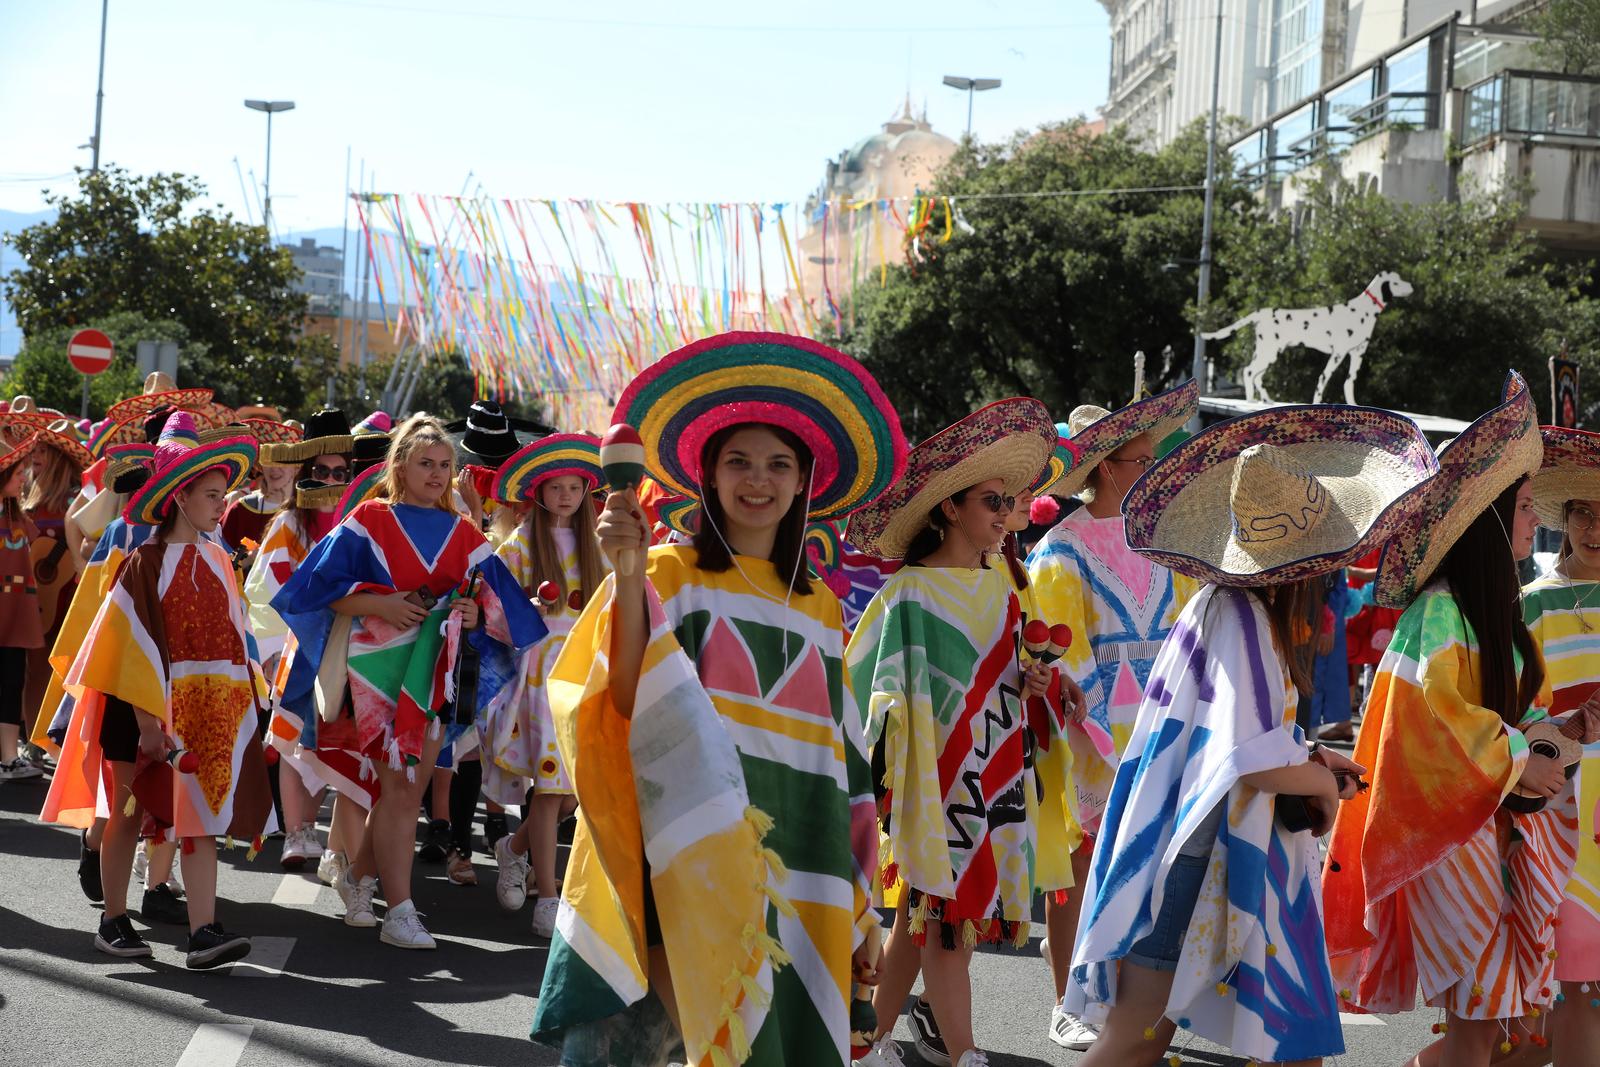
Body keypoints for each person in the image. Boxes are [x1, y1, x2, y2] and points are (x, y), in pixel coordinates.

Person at [532, 332, 901, 1067]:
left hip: (800, 863)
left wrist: (864, 904)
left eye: (777, 464)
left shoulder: (822, 609)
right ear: (708, 474)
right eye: (738, 460)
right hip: (681, 852)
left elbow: (844, 766)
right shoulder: (670, 573)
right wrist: (629, 574)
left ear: (804, 483)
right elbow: (627, 697)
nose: (757, 479)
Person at [1066, 403, 1436, 1067]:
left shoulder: (1223, 603)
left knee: (1161, 1038)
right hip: (1196, 855)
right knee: (1142, 1039)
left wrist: (1312, 757)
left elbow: (1241, 741)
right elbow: (1249, 757)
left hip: (1196, 848)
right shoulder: (1244, 616)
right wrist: (1321, 780)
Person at [1324, 374, 1598, 1067]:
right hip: (1452, 843)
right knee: (1479, 1030)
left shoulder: (1485, 615)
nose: (1540, 523)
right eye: (1529, 508)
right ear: (1495, 521)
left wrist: (1568, 731)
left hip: (1488, 832)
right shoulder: (1438, 613)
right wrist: (1522, 754)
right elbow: (1432, 728)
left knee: (1492, 1031)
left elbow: (1515, 720)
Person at [273, 412, 544, 950]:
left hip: (437, 672)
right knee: (399, 788)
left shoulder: (466, 531)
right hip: (375, 669)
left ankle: (360, 879)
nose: (438, 473)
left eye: (446, 464)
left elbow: (502, 609)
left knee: (406, 793)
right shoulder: (370, 518)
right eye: (426, 463)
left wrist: (470, 613)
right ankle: (400, 911)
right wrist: (381, 602)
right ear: (399, 465)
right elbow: (314, 592)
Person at [847, 397, 1061, 1067]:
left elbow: (1010, 679)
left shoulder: (1001, 589)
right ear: (950, 508)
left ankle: (865, 1043)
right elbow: (861, 684)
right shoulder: (907, 594)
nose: (1005, 514)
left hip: (993, 767)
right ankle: (965, 1054)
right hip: (931, 782)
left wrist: (1032, 685)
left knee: (927, 912)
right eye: (992, 500)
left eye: (1009, 501)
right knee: (947, 921)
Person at [40, 411, 274, 968]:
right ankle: (113, 919)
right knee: (125, 811)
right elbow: (122, 645)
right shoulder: (142, 562)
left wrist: (250, 699)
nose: (223, 504)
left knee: (197, 820)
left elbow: (235, 638)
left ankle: (203, 931)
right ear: (179, 496)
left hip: (202, 715)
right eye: (213, 495)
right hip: (138, 714)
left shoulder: (220, 559)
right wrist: (149, 723)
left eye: (223, 494)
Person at [1023, 380, 1200, 1050]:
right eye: (1143, 460)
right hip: (1087, 732)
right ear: (1106, 467)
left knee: (1149, 863)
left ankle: (1129, 1002)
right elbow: (1057, 644)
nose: (1154, 470)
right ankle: (1066, 995)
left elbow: (1191, 629)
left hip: (1162, 724)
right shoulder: (1059, 550)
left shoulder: (1163, 541)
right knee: (1077, 862)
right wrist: (1093, 728)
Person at [483, 433, 608, 935]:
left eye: (574, 488)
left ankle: (513, 849)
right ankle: (549, 898)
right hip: (539, 673)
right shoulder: (520, 543)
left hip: (583, 672)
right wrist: (523, 611)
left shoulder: (596, 545)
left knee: (577, 790)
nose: (565, 496)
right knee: (551, 785)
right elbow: (493, 605)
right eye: (555, 487)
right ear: (538, 491)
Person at [245, 410, 365, 875]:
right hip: (297, 650)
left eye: (341, 472)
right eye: (322, 472)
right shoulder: (287, 526)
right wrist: (273, 652)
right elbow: (262, 592)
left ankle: (336, 843)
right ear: (306, 474)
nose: (332, 480)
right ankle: (299, 833)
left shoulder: (362, 521)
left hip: (352, 647)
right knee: (296, 740)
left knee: (339, 744)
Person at [1517, 425, 1600, 1066]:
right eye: (1582, 513)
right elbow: (1512, 717)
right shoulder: (1531, 605)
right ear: (1563, 518)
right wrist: (1568, 725)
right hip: (1557, 814)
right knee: (1574, 983)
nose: (1595, 529)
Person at [0, 434, 44, 780]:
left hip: (15, 614)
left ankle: (8, 757)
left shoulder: (17, 517)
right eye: (16, 474)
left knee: (12, 682)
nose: (23, 479)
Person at [219, 418, 302, 551]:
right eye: (268, 459)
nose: (274, 467)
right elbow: (219, 560)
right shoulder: (240, 510)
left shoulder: (306, 512)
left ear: (297, 467)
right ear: (261, 465)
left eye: (282, 460)